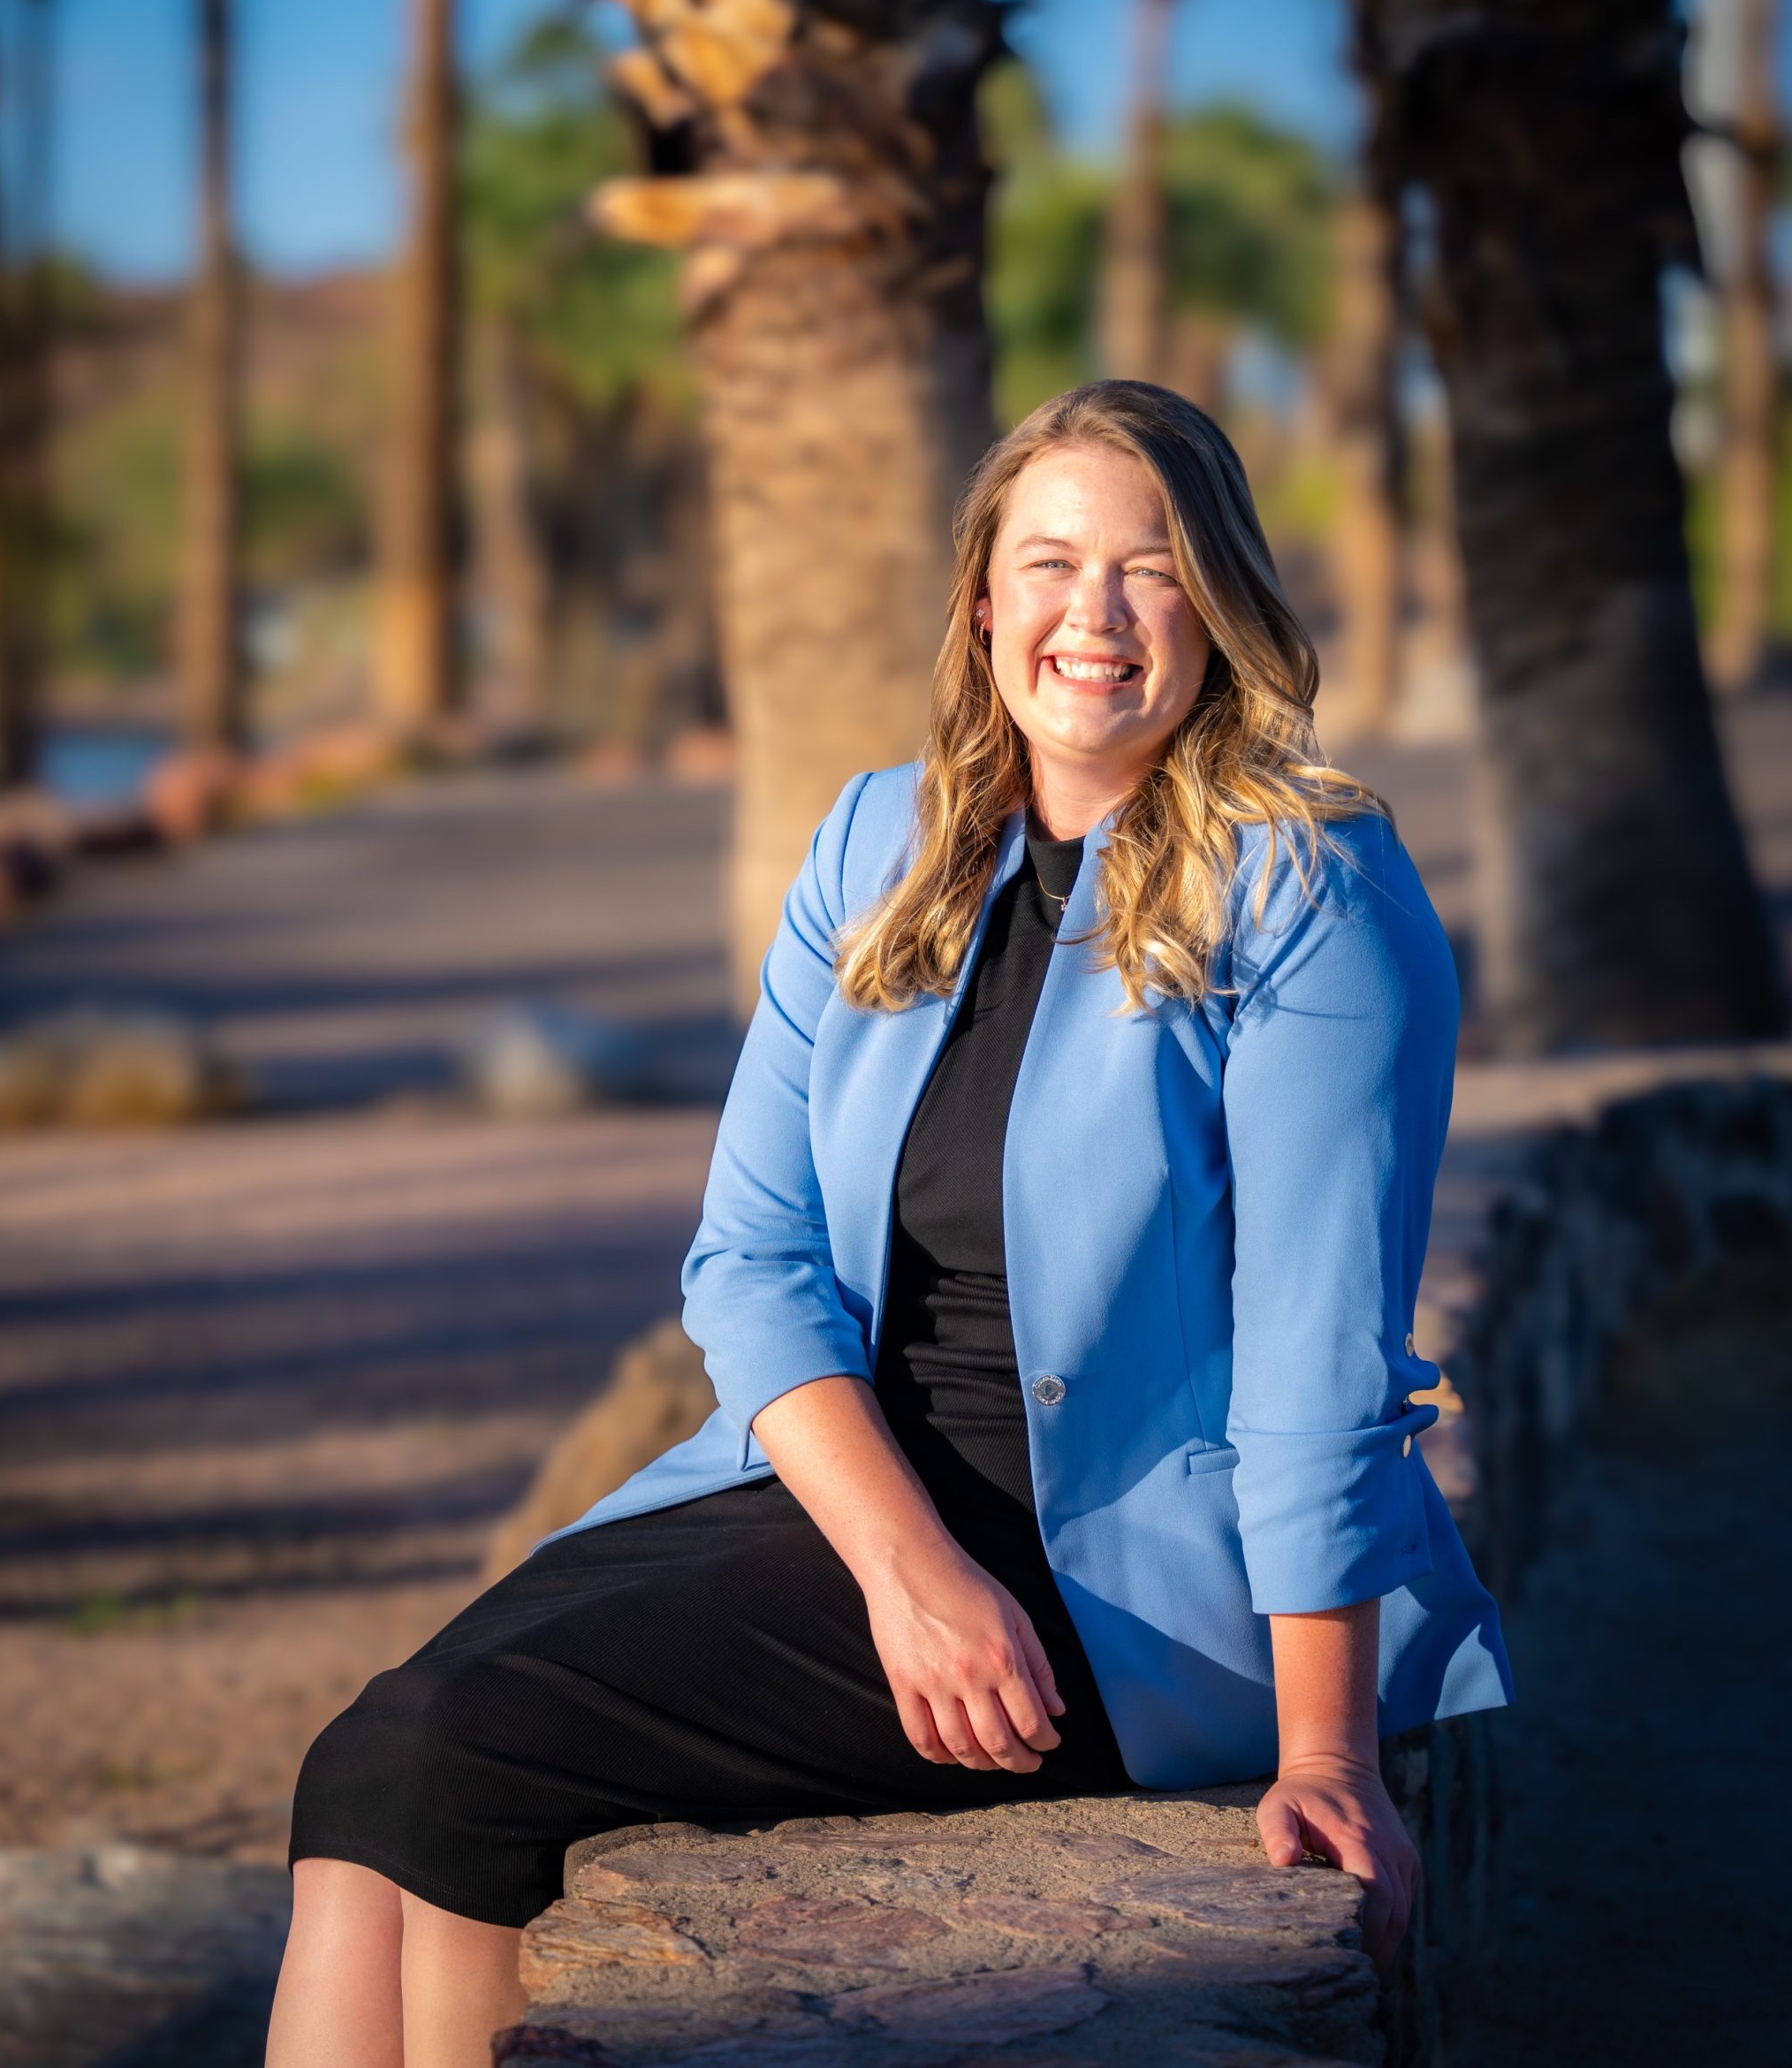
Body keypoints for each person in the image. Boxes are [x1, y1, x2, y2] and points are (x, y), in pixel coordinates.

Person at [267, 380, 1512, 2068]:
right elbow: (751, 1261)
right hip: (870, 1502)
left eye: (1149, 569)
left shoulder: (1309, 889)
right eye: (1050, 562)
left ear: (1217, 600)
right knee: (371, 1756)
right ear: (984, 599)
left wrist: (1327, 1757)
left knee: (456, 1754)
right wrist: (908, 1567)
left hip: (1119, 1578)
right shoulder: (881, 841)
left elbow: (1318, 1356)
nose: (1094, 614)